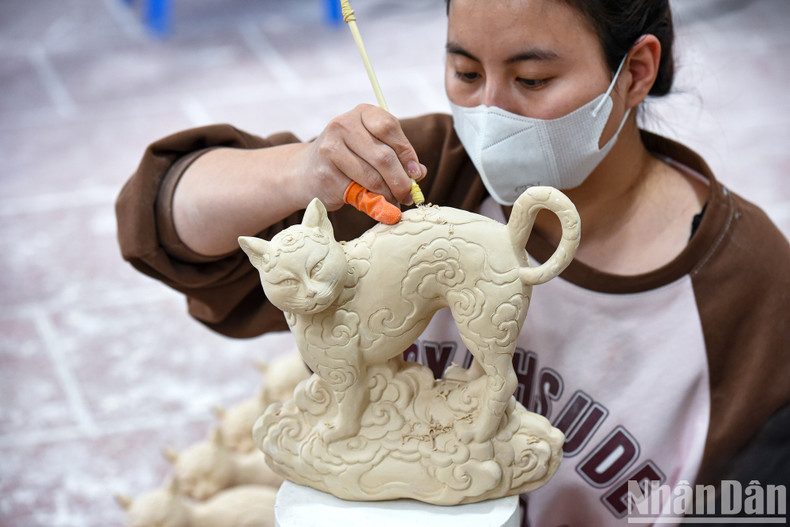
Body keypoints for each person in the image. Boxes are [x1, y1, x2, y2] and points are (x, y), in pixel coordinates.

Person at [116, 0, 790, 524]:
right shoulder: (422, 176)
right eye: (465, 72)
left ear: (635, 71)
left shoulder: (753, 287)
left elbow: (755, 502)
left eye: (531, 78)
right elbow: (165, 214)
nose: (489, 111)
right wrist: (299, 171)